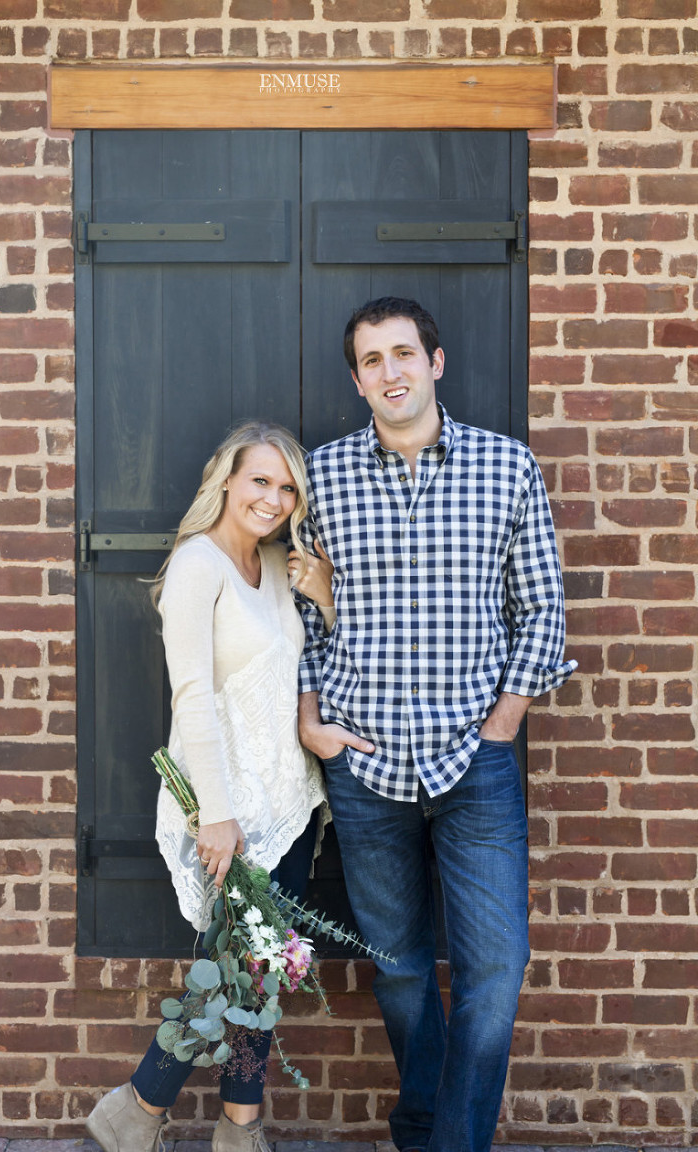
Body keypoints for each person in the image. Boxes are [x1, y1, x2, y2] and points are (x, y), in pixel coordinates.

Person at [295, 298, 576, 1152]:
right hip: (365, 759)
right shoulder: (323, 476)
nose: (392, 372)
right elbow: (304, 620)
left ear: (436, 362)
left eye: (404, 353)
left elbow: (544, 612)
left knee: (495, 969)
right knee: (403, 970)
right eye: (373, 360)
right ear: (357, 379)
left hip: (475, 760)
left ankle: (448, 1141)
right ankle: (425, 1129)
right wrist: (314, 721)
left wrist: (504, 725)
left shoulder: (506, 469)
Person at [87, 421, 335, 1152]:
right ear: (226, 479)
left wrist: (320, 594)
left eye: (287, 487)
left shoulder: (272, 560)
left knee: (256, 978)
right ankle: (137, 1108)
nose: (273, 498)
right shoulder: (198, 565)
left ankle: (236, 1128)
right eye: (260, 480)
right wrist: (217, 817)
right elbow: (192, 694)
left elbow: (307, 663)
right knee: (229, 973)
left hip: (288, 801)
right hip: (224, 807)